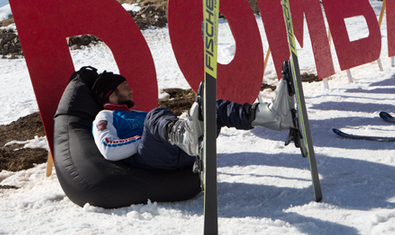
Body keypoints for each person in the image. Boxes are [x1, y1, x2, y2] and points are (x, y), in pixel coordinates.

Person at [91, 71, 296, 171]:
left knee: (211, 108)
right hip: (150, 161)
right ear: (111, 94)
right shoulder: (104, 117)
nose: (131, 89)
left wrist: (188, 122)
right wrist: (144, 137)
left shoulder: (138, 114)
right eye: (125, 86)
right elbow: (108, 148)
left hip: (180, 151)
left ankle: (272, 117)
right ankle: (184, 137)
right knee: (157, 113)